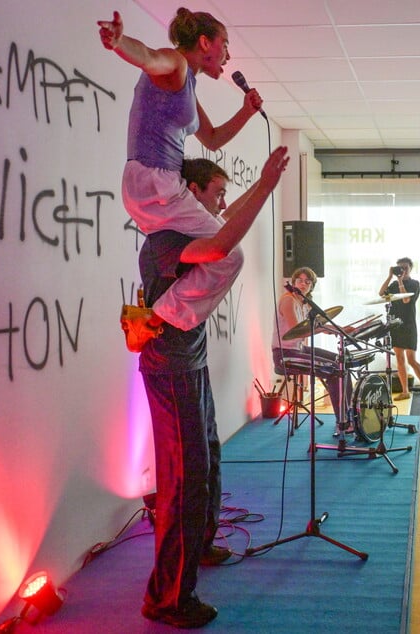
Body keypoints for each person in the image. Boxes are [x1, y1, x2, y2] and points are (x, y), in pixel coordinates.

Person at [134, 147, 289, 628]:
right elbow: (220, 248)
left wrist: (260, 188)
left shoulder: (183, 233)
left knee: (207, 457)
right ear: (192, 193)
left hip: (189, 363)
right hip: (170, 369)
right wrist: (262, 187)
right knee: (183, 479)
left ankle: (199, 545)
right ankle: (167, 597)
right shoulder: (165, 239)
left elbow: (220, 240)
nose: (221, 204)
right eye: (217, 194)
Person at [98, 9, 265, 348]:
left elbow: (214, 138)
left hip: (154, 184)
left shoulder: (188, 86)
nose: (229, 55)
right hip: (155, 184)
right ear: (205, 43)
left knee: (223, 249)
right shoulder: (176, 64)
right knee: (228, 252)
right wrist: (119, 43)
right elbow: (148, 57)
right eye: (225, 45)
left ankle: (155, 314)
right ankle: (152, 318)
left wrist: (247, 113)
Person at [273, 267, 351, 419]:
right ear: (294, 282)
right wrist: (322, 330)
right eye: (300, 281)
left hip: (299, 349)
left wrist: (340, 329)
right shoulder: (288, 300)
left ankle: (351, 414)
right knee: (334, 370)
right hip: (284, 354)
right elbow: (298, 332)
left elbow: (316, 326)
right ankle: (342, 421)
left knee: (341, 362)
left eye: (307, 282)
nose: (303, 284)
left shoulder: (305, 303)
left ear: (311, 286)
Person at [378, 257, 420, 403]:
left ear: (410, 268)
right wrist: (390, 276)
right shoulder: (394, 283)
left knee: (412, 360)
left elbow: (406, 300)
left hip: (408, 325)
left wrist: (401, 281)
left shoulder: (414, 284)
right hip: (396, 325)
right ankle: (405, 391)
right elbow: (381, 293)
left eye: (405, 267)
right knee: (400, 359)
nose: (403, 270)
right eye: (400, 267)